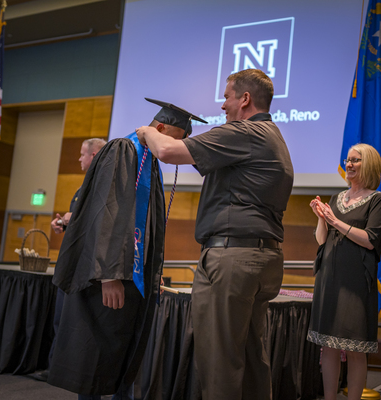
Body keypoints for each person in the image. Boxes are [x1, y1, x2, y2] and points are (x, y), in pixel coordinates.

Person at [136, 69, 294, 400]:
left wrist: (148, 132)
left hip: (231, 259)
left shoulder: (244, 132)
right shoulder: (272, 136)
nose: (223, 105)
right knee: (251, 359)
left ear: (245, 99)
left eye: (226, 97)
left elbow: (167, 151)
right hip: (261, 257)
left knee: (218, 361)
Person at [47, 99, 206, 400]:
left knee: (126, 356)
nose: (175, 149)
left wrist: (150, 272)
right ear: (159, 128)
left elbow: (147, 225)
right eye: (175, 138)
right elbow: (107, 212)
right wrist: (109, 275)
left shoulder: (151, 163)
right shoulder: (122, 150)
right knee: (95, 359)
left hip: (132, 280)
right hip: (109, 277)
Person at [307, 143, 381, 400]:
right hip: (329, 278)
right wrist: (321, 218)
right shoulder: (336, 198)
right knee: (328, 346)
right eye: (348, 159)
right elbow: (322, 241)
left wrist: (335, 221)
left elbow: (371, 240)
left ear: (369, 165)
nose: (349, 164)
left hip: (355, 283)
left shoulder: (376, 200)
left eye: (356, 160)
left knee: (355, 349)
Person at [32, 138, 106, 382]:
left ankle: (69, 371)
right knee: (60, 318)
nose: (79, 159)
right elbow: (77, 223)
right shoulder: (81, 188)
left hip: (86, 267)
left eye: (82, 154)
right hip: (71, 263)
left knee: (76, 322)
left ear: (94, 155)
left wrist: (71, 219)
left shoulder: (104, 187)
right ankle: (56, 368)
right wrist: (61, 224)